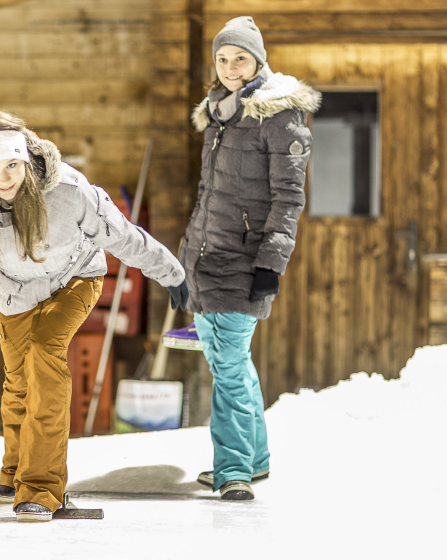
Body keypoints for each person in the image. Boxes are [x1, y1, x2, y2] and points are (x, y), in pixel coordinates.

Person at [0, 111, 188, 522]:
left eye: (12, 165)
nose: (3, 179)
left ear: (26, 155)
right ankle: (14, 473)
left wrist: (169, 271)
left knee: (44, 357)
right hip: (11, 295)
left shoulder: (69, 191)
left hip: (74, 279)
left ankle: (41, 489)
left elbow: (120, 234)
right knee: (18, 381)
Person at [177, 16, 319, 500]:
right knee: (228, 362)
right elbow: (208, 193)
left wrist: (270, 263)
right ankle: (253, 460)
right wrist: (187, 255)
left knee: (230, 366)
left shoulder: (279, 116)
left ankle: (233, 470)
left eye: (240, 57)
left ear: (258, 60)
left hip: (244, 260)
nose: (231, 66)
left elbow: (289, 197)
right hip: (205, 256)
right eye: (223, 58)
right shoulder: (219, 114)